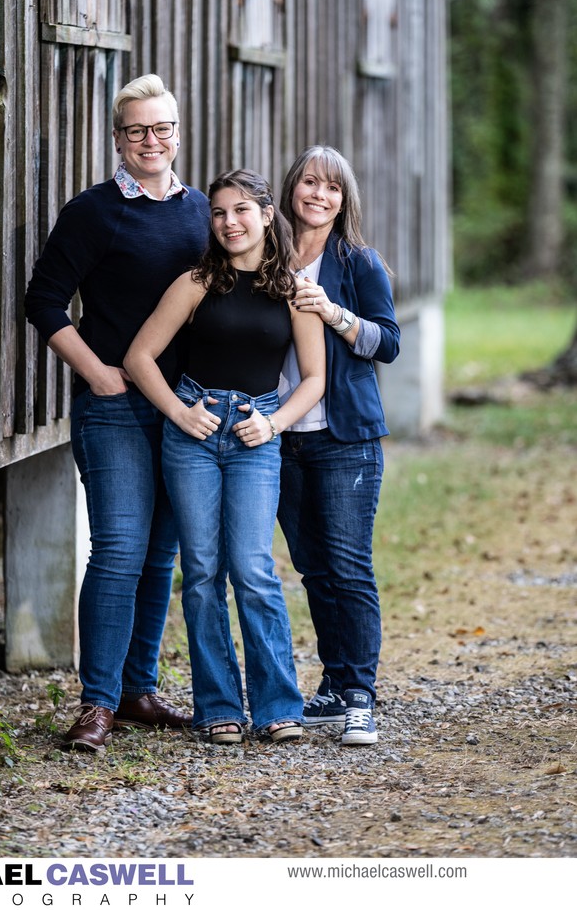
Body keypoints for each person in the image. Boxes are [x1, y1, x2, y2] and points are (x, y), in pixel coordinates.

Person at [25, 74, 212, 752]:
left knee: (159, 554)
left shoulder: (201, 213)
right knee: (119, 548)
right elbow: (44, 300)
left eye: (161, 128)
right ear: (117, 137)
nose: (150, 141)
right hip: (114, 410)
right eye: (136, 130)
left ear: (177, 132)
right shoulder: (94, 211)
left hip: (184, 406)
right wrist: (94, 369)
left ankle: (137, 690)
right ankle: (97, 702)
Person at [125, 169, 326, 744]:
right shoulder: (196, 281)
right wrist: (179, 413)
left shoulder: (293, 289)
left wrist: (275, 423)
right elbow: (141, 357)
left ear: (267, 215)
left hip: (253, 436)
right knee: (204, 573)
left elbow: (313, 379)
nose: (229, 222)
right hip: (193, 431)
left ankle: (278, 707)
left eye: (241, 210)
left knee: (254, 569)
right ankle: (218, 708)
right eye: (218, 213)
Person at [277, 145, 400, 746]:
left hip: (344, 435)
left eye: (331, 187)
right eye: (308, 183)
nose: (318, 195)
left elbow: (389, 343)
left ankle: (359, 696)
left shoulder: (359, 263)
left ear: (343, 199)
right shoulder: (265, 254)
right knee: (313, 567)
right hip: (279, 438)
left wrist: (335, 314)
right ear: (291, 189)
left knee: (348, 566)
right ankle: (333, 681)